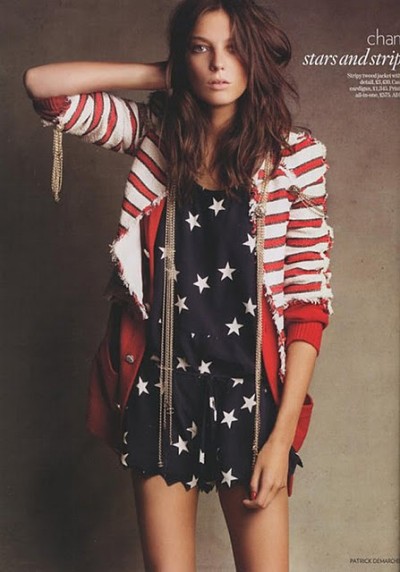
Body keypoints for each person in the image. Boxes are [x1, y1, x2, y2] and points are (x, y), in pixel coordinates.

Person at [23, 0, 333, 570]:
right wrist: (161, 74)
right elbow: (45, 88)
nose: (218, 64)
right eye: (200, 48)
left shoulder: (295, 158)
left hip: (250, 398)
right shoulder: (156, 135)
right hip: (161, 391)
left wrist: (282, 434)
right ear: (182, 57)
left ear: (255, 56)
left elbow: (307, 308)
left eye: (234, 48)